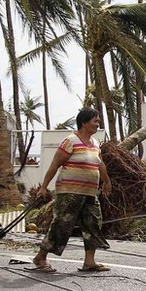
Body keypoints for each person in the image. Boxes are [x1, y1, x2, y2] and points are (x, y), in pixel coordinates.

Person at [31, 108, 112, 273]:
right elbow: (55, 165)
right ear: (84, 122)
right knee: (62, 224)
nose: (98, 124)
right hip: (69, 192)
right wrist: (44, 187)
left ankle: (89, 262)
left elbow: (100, 164)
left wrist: (107, 182)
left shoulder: (95, 143)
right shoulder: (70, 141)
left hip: (89, 192)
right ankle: (41, 257)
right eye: (95, 121)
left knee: (93, 223)